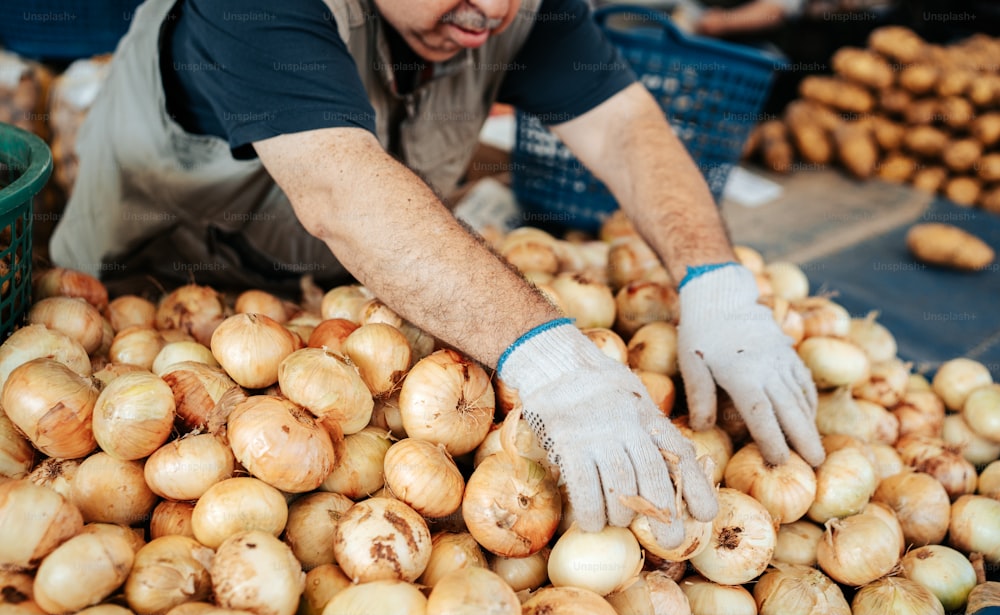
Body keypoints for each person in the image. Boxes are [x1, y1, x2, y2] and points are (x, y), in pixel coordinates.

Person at [49, 0, 824, 549]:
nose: (491, 9)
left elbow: (625, 125)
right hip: (148, 320)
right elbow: (341, 191)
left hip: (353, 320)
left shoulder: (504, 4)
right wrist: (552, 360)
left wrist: (715, 282)